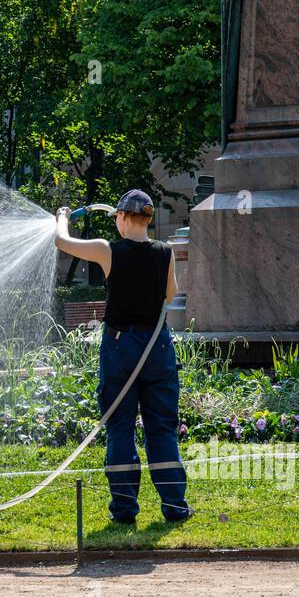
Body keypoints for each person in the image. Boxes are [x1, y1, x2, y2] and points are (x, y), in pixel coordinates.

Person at [54, 189, 192, 526]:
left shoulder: (106, 250)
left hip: (120, 346)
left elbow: (61, 241)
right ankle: (175, 508)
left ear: (122, 218)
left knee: (120, 428)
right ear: (147, 218)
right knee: (162, 430)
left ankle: (125, 511)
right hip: (156, 347)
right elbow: (170, 294)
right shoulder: (165, 252)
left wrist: (63, 215)